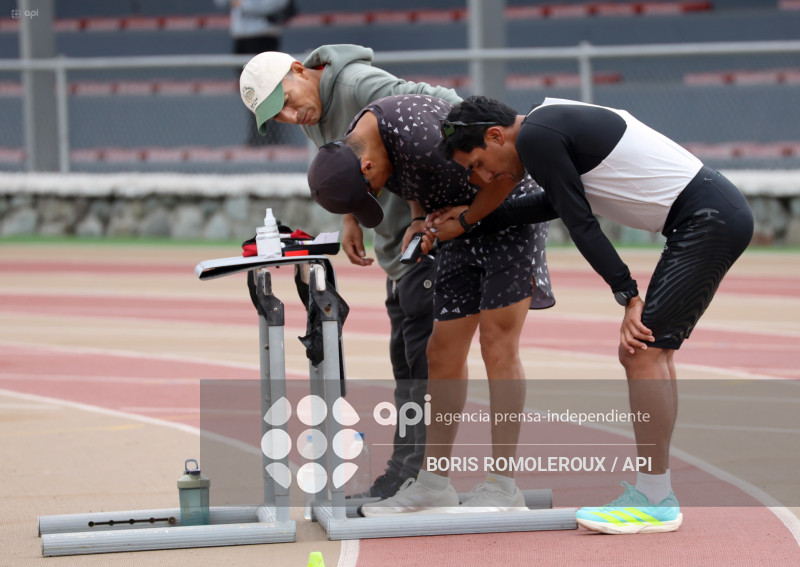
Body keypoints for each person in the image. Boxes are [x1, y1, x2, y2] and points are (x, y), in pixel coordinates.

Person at [435, 95, 754, 533]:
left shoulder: (538, 136)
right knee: (652, 354)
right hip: (712, 214)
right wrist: (472, 221)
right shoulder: (545, 128)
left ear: (495, 135)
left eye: (478, 164)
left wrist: (627, 293)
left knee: (641, 352)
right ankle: (655, 494)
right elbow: (552, 205)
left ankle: (655, 499)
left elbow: (580, 222)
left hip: (707, 218)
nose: (483, 177)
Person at [238, 45, 490, 498]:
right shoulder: (314, 113)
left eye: (288, 102)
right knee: (405, 364)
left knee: (422, 362)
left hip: (427, 239)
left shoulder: (357, 86)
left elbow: (439, 105)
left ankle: (422, 476)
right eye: (278, 116)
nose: (292, 117)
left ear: (300, 70)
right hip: (395, 242)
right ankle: (404, 470)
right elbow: (345, 166)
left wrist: (443, 202)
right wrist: (351, 216)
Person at [307, 93, 553, 516]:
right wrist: (420, 218)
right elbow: (415, 182)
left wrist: (467, 220)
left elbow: (506, 174)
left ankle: (503, 487)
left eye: (375, 189)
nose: (380, 192)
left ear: (366, 167)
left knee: (497, 346)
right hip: (454, 224)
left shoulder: (417, 134)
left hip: (505, 212)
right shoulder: (364, 142)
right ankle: (434, 484)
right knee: (441, 352)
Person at [216, 0, 296, 145]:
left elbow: (279, 4)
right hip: (240, 38)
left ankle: (270, 137)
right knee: (248, 89)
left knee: (266, 88)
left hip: (263, 37)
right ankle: (257, 135)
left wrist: (244, 5)